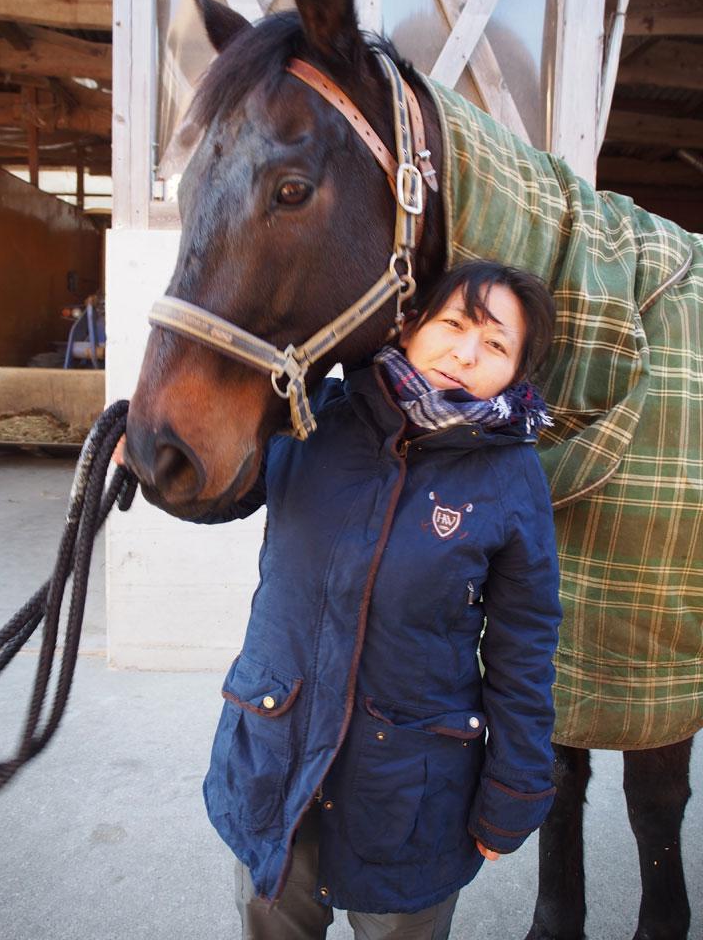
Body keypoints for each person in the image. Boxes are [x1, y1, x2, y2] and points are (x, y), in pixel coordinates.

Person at [128, 259, 562, 939]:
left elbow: (525, 649)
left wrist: (516, 789)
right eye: (454, 324)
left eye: (497, 345)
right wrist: (156, 449)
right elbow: (224, 493)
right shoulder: (315, 417)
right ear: (413, 325)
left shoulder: (512, 476)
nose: (467, 352)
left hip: (409, 796)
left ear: (516, 373)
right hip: (277, 759)